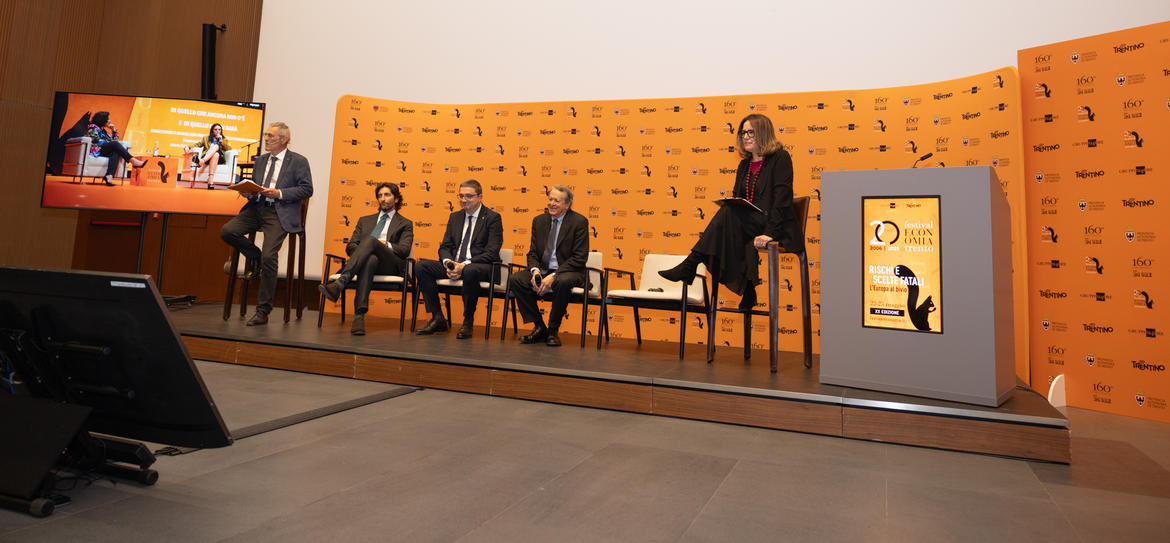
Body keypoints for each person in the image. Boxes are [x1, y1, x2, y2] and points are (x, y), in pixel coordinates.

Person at [658, 113, 803, 309]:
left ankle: (692, 263)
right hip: (747, 225)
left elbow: (782, 200)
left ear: (763, 132)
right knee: (729, 214)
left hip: (774, 224)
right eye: (743, 133)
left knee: (728, 216)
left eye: (751, 132)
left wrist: (770, 233)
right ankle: (748, 288)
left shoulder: (780, 158)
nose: (746, 137)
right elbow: (738, 198)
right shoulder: (744, 165)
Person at [220, 121, 314, 326]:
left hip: (279, 212)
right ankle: (255, 257)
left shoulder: (298, 161)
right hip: (257, 208)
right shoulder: (261, 160)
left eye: (271, 136)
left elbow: (307, 189)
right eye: (266, 135)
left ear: (284, 139)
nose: (266, 139)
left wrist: (279, 193)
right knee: (227, 231)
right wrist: (248, 192)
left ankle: (263, 311)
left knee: (270, 256)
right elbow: (255, 187)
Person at [318, 183, 413, 336]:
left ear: (396, 199)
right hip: (366, 263)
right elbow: (350, 246)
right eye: (380, 195)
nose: (383, 198)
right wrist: (366, 251)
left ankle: (341, 282)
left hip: (390, 265)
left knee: (371, 240)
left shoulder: (405, 224)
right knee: (370, 259)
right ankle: (359, 317)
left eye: (387, 195)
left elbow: (404, 250)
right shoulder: (365, 221)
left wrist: (384, 244)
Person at [415, 179, 504, 339]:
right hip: (456, 264)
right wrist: (449, 263)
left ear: (480, 197)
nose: (464, 200)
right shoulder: (455, 217)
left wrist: (464, 265)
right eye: (461, 196)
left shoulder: (492, 218)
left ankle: (468, 322)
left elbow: (492, 252)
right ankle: (438, 317)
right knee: (421, 266)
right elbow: (445, 247)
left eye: (469, 196)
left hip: (481, 267)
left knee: (470, 270)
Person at [507, 185, 589, 347]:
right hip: (543, 269)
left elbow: (579, 258)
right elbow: (532, 253)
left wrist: (554, 275)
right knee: (516, 279)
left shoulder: (579, 222)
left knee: (562, 281)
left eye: (557, 201)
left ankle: (553, 330)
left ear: (567, 204)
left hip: (569, 271)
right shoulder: (539, 221)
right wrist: (535, 271)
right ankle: (539, 327)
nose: (551, 203)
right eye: (550, 199)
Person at [86, 111, 146, 186]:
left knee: (115, 152)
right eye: (108, 119)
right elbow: (94, 139)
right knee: (114, 145)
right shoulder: (93, 127)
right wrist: (109, 142)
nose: (110, 121)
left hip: (104, 150)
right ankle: (133, 160)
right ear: (102, 120)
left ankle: (109, 176)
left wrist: (113, 129)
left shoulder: (104, 131)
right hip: (97, 150)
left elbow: (115, 140)